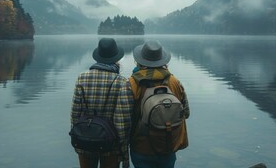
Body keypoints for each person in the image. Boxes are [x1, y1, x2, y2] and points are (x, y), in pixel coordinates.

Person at [71, 38, 134, 168]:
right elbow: (122, 122)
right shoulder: (122, 82)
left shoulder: (82, 78)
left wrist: (77, 137)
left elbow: (75, 114)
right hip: (111, 145)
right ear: (116, 59)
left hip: (85, 140)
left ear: (98, 57)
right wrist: (123, 152)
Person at [129, 40, 190, 168]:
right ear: (163, 61)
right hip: (168, 144)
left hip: (141, 146)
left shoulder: (132, 83)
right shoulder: (174, 81)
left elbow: (126, 117)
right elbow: (186, 113)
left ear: (139, 61)